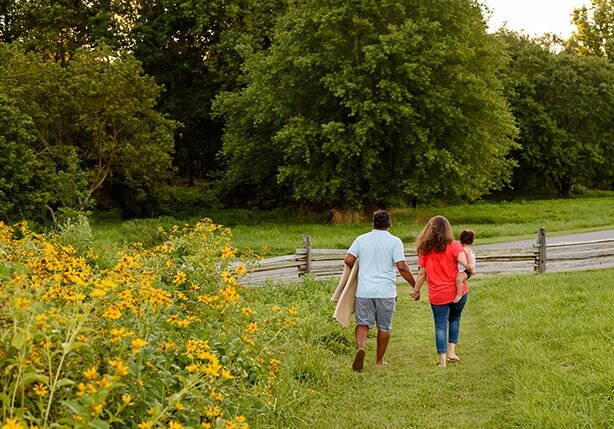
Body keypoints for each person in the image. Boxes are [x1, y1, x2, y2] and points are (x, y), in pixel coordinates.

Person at [344, 210, 416, 372]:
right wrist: (414, 285)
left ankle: (361, 347)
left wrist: (357, 270)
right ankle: (379, 360)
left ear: (373, 223)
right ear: (389, 224)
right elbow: (402, 267)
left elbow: (348, 259)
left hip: (364, 291)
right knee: (384, 326)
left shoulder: (361, 239)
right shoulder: (395, 241)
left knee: (363, 322)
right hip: (386, 292)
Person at [411, 216, 474, 368]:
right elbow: (466, 265)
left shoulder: (425, 250)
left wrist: (416, 291)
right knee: (455, 319)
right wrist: (471, 269)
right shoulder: (454, 246)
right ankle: (452, 352)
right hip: (457, 292)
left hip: (437, 294)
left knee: (440, 326)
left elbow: (421, 274)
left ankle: (443, 361)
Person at [454, 229, 476, 303]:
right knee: (458, 279)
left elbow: (470, 264)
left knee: (458, 279)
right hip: (464, 269)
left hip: (465, 270)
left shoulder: (465, 250)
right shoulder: (467, 248)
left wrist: (471, 268)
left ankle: (459, 295)